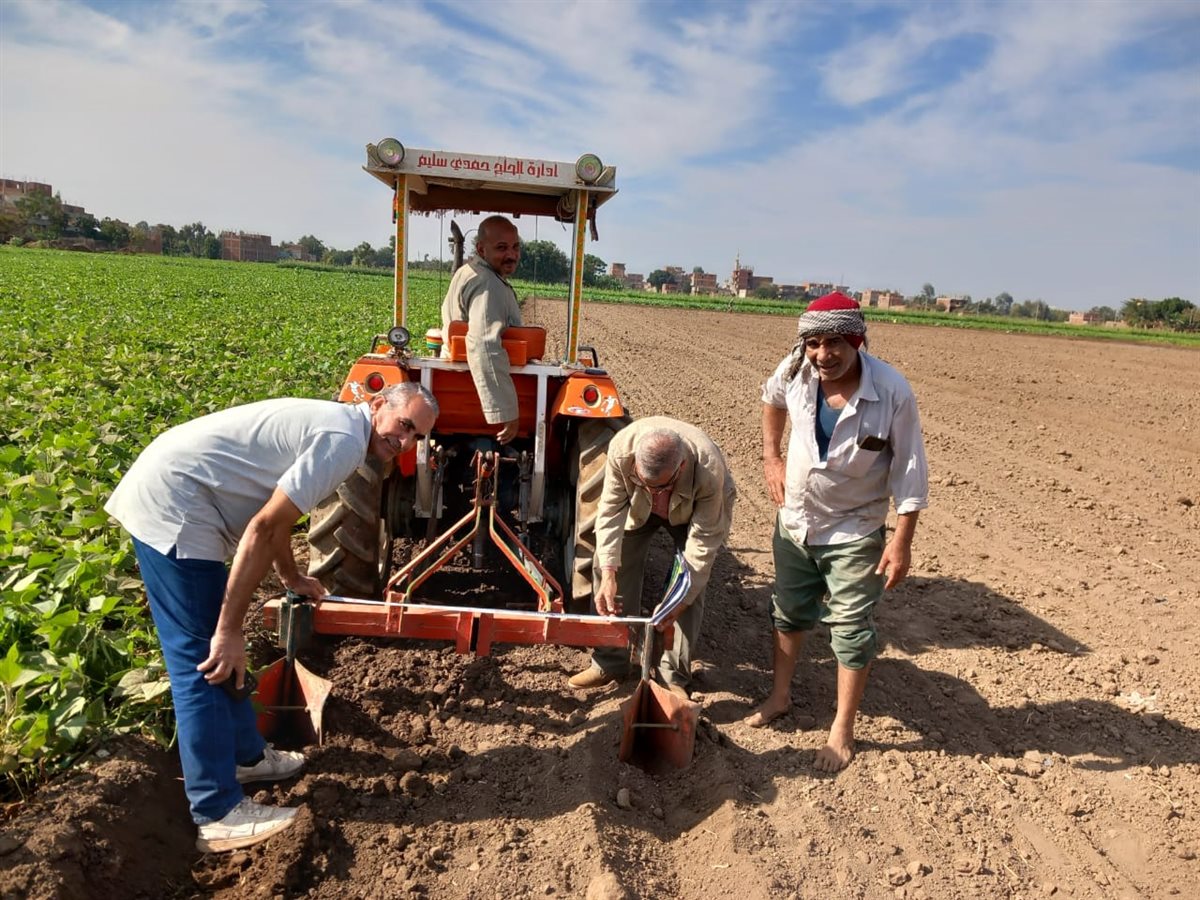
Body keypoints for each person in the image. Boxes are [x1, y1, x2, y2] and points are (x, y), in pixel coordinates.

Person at [104, 383, 438, 852]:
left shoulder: (344, 431)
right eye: (404, 426)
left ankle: (247, 757)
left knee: (214, 648)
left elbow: (275, 513)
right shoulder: (344, 442)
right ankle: (216, 811)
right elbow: (262, 528)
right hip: (176, 503)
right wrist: (229, 630)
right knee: (203, 658)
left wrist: (291, 575)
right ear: (379, 405)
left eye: (417, 437)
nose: (405, 442)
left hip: (184, 491)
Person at [745, 291, 928, 772]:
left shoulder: (891, 390)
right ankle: (779, 696)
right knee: (788, 612)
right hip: (796, 520)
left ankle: (842, 729)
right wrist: (771, 456)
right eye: (814, 344)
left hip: (855, 528)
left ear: (857, 341)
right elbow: (771, 399)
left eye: (834, 344)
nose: (822, 355)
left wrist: (901, 541)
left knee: (850, 629)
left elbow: (910, 468)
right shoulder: (794, 371)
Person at [568, 417, 736, 697]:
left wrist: (679, 600)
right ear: (635, 464)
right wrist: (608, 573)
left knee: (688, 585)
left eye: (659, 487)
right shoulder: (621, 450)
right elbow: (609, 512)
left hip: (691, 514)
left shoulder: (708, 471)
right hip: (639, 510)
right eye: (643, 482)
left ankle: (673, 676)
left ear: (681, 468)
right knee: (607, 564)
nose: (652, 493)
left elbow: (702, 546)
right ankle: (611, 662)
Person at [440, 214, 524, 444]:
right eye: (502, 248)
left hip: (451, 382)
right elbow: (484, 344)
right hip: (475, 389)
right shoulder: (487, 282)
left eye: (515, 247)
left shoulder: (467, 272)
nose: (511, 255)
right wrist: (506, 410)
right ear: (481, 249)